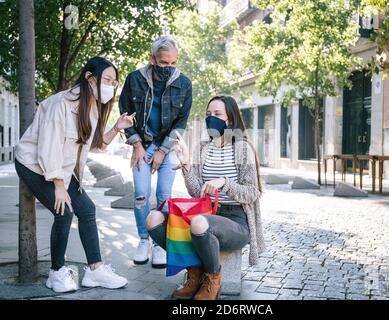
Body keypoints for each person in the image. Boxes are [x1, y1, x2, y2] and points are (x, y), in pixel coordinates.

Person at [15, 56, 134, 293]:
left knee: (88, 209)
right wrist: (59, 186)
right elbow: (49, 148)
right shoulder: (61, 104)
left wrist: (117, 127)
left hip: (62, 168)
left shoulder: (91, 108)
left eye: (114, 82)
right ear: (90, 78)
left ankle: (94, 270)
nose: (112, 86)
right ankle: (56, 273)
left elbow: (96, 144)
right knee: (65, 211)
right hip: (34, 164)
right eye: (108, 80)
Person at [146, 95, 265, 300]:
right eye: (208, 114)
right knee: (153, 219)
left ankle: (212, 278)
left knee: (199, 223)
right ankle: (194, 272)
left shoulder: (243, 148)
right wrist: (186, 165)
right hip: (205, 213)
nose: (212, 118)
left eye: (218, 114)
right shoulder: (203, 148)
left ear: (230, 118)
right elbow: (197, 192)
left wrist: (224, 183)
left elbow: (253, 192)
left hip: (236, 221)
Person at [119, 35, 192, 267]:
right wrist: (137, 145)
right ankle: (143, 239)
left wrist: (162, 151)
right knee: (141, 195)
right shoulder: (134, 79)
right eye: (163, 63)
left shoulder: (185, 83)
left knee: (164, 196)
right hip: (142, 143)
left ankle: (160, 243)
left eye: (173, 63)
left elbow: (181, 123)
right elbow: (124, 114)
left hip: (167, 145)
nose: (169, 68)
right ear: (152, 59)